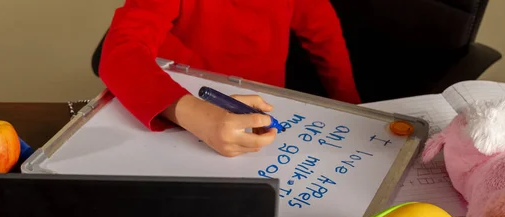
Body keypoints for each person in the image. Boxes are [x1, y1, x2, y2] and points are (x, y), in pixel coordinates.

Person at [99, 0, 360, 157]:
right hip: (178, 113)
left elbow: (326, 40)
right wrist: (192, 113)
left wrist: (354, 111)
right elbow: (119, 54)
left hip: (261, 115)